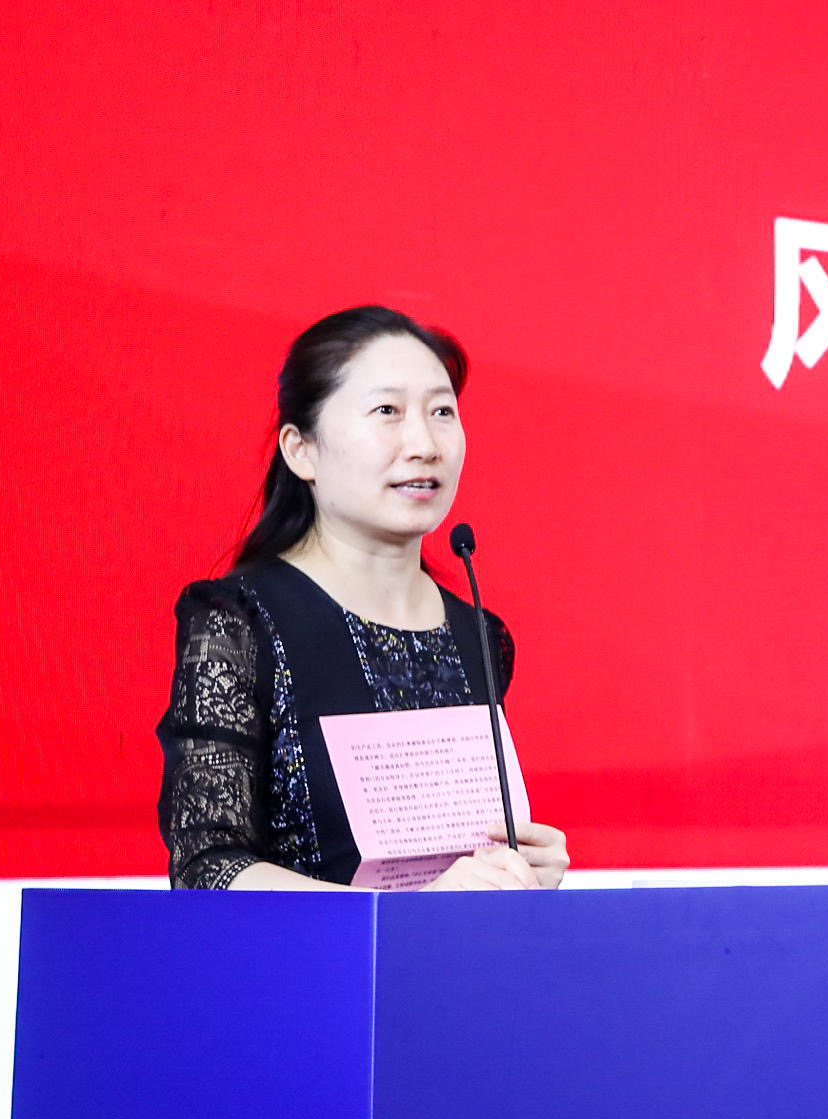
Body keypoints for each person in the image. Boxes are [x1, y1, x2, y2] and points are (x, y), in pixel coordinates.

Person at [157, 306, 568, 891]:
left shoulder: (479, 634)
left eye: (441, 412)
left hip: (444, 955)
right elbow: (208, 869)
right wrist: (399, 915)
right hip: (303, 954)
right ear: (301, 450)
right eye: (387, 412)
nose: (424, 444)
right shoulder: (240, 622)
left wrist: (519, 872)